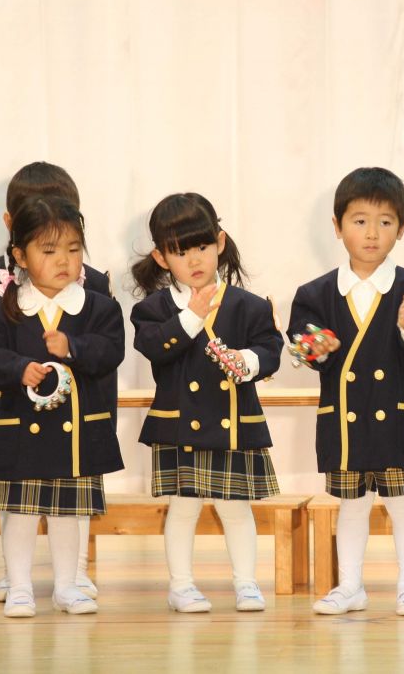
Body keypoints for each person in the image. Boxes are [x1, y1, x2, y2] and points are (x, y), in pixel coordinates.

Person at [288, 167, 404, 616]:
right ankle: (350, 586)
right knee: (352, 506)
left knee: (403, 505)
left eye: (385, 221)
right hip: (345, 421)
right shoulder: (315, 292)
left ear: (403, 227)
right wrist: (315, 347)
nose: (372, 233)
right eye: (360, 221)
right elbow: (301, 343)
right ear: (337, 226)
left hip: (398, 419)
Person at [0, 161, 111, 602]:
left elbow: (104, 360)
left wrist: (104, 419)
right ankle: (14, 575)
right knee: (15, 492)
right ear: (10, 223)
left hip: (74, 414)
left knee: (72, 494)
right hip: (10, 406)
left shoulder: (94, 283)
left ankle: (75, 572)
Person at [131, 193, 282, 613]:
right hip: (179, 426)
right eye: (180, 252)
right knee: (182, 509)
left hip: (233, 423)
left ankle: (246, 583)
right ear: (161, 258)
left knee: (236, 509)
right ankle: (181, 586)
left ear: (220, 242)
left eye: (201, 246)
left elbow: (271, 349)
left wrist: (247, 360)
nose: (194, 259)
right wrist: (191, 317)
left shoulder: (249, 305)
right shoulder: (153, 309)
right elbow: (153, 347)